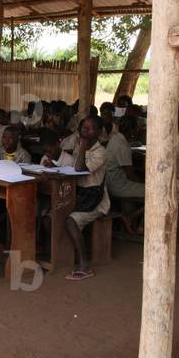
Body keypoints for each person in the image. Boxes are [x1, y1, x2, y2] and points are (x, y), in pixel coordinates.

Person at [65, 117, 111, 281]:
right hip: (79, 195)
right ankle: (64, 256)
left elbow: (79, 168)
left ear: (98, 132)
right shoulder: (79, 146)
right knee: (52, 213)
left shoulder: (101, 152)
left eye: (91, 128)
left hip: (94, 201)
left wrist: (83, 146)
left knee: (71, 220)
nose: (86, 131)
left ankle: (85, 265)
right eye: (84, 128)